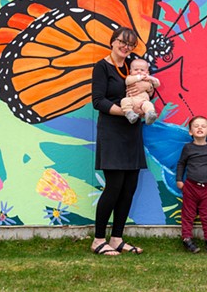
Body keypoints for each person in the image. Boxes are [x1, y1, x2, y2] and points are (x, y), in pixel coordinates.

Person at [90, 27, 155, 256]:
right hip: (112, 133)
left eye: (130, 44)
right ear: (112, 42)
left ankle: (117, 238)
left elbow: (149, 90)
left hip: (132, 134)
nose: (125, 46)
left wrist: (147, 87)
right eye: (122, 41)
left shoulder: (132, 67)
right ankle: (98, 240)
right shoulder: (102, 67)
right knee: (114, 187)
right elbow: (98, 101)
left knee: (129, 188)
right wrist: (125, 113)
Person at [176, 116, 207, 255]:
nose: (200, 128)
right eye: (196, 126)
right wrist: (179, 179)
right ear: (190, 132)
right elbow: (181, 164)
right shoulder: (188, 148)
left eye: (203, 126)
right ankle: (186, 238)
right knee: (188, 214)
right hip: (190, 187)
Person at [121, 58, 160, 125]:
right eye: (136, 70)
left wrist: (151, 78)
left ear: (147, 72)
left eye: (142, 70)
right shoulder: (130, 77)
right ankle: (130, 114)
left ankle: (150, 115)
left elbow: (157, 84)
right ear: (130, 71)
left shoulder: (147, 79)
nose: (139, 71)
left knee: (149, 105)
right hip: (131, 100)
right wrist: (139, 77)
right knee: (124, 101)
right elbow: (128, 81)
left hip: (143, 101)